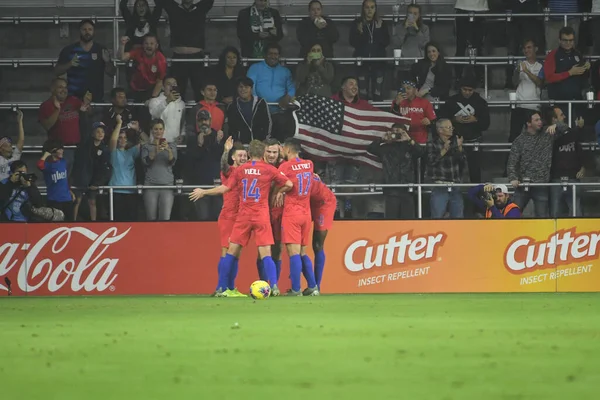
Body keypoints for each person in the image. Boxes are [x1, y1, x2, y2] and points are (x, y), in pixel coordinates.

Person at [189, 140, 293, 297]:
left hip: (243, 216)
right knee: (266, 253)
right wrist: (278, 192)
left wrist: (204, 192)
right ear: (264, 153)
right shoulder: (269, 169)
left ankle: (222, 288)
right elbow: (290, 184)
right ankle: (275, 286)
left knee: (231, 252)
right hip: (261, 216)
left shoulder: (240, 170)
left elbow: (225, 188)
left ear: (250, 154)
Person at [277, 138, 319, 296]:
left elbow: (280, 182)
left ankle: (295, 289)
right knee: (302, 251)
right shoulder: (309, 164)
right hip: (306, 213)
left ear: (287, 150)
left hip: (292, 213)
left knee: (293, 252)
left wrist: (278, 191)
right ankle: (313, 287)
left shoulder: (285, 166)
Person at [507, 110, 568, 217]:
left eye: (540, 119)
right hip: (522, 184)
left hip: (541, 184)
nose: (540, 122)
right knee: (512, 215)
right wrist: (513, 178)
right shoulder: (519, 141)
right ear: (528, 123)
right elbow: (512, 162)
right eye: (536, 120)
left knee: (542, 218)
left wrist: (555, 125)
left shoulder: (547, 133)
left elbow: (566, 128)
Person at [157, 0, 214, 102]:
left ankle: (202, 117)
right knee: (177, 92)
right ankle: (177, 118)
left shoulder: (201, 8)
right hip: (179, 59)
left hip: (197, 58)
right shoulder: (173, 8)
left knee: (200, 91)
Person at [213, 137, 248, 297]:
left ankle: (231, 288)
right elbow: (223, 165)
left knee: (236, 254)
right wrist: (225, 150)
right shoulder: (230, 171)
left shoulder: (246, 173)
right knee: (226, 252)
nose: (243, 158)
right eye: (240, 155)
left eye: (245, 156)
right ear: (233, 157)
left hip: (241, 218)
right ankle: (222, 288)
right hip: (228, 216)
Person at [367, 123, 422, 219]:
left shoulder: (410, 147)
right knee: (391, 220)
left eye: (399, 132)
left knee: (408, 220)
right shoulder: (385, 148)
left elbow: (421, 152)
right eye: (394, 132)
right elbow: (370, 149)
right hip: (391, 188)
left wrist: (409, 140)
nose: (396, 134)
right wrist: (382, 139)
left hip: (407, 188)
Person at [443, 76, 490, 184]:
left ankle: (476, 196)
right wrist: (454, 119)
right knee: (454, 171)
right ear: (460, 88)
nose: (467, 92)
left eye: (470, 90)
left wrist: (476, 119)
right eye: (465, 89)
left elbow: (486, 124)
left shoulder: (480, 102)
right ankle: (454, 194)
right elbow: (441, 120)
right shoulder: (451, 101)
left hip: (474, 141)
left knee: (475, 172)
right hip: (455, 141)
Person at [54, 19, 116, 101]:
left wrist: (107, 62)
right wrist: (70, 64)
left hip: (96, 98)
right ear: (80, 31)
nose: (87, 32)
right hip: (74, 99)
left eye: (90, 29)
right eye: (84, 29)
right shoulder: (69, 50)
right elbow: (57, 71)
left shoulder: (101, 49)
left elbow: (112, 73)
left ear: (94, 31)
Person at [247, 43, 296, 141]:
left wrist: (288, 96)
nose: (273, 56)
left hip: (279, 112)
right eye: (270, 53)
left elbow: (291, 88)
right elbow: (250, 85)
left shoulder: (285, 71)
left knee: (281, 138)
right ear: (265, 55)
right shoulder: (255, 68)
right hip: (260, 111)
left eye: (276, 54)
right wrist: (259, 102)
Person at [184, 110, 225, 221]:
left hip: (216, 184)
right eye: (201, 120)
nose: (203, 123)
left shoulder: (219, 136)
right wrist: (199, 145)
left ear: (210, 121)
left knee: (218, 217)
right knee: (203, 218)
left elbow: (220, 158)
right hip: (199, 185)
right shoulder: (193, 139)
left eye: (205, 120)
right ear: (197, 123)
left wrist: (217, 142)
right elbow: (190, 160)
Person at [545, 107, 586, 217]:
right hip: (556, 178)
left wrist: (583, 167)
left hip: (573, 177)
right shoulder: (547, 134)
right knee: (554, 213)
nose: (565, 117)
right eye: (561, 115)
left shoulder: (572, 133)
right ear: (554, 120)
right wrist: (578, 127)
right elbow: (564, 139)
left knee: (577, 212)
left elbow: (580, 152)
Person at [72, 119, 112, 222]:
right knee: (77, 200)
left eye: (102, 132)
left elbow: (105, 169)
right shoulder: (84, 146)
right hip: (82, 178)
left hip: (94, 180)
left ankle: (93, 223)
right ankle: (72, 222)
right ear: (92, 133)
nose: (100, 134)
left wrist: (97, 183)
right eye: (98, 131)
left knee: (92, 201)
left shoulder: (105, 150)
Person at [349, 0, 390, 101]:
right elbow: (352, 42)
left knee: (378, 92)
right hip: (362, 62)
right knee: (362, 93)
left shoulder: (381, 23)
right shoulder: (357, 23)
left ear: (375, 9)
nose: (369, 10)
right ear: (363, 9)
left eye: (372, 7)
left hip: (378, 62)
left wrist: (379, 29)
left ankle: (377, 115)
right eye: (367, 7)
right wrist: (360, 32)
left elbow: (386, 42)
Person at [426, 119, 466, 219]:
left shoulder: (455, 142)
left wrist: (460, 148)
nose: (451, 129)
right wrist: (444, 150)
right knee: (437, 217)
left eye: (451, 127)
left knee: (458, 217)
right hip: (440, 186)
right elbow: (431, 161)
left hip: (455, 185)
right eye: (448, 127)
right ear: (440, 130)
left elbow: (462, 162)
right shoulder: (432, 143)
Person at [142, 119, 177, 220]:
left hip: (167, 185)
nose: (158, 131)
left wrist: (168, 150)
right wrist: (155, 151)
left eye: (160, 129)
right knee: (151, 219)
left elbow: (172, 162)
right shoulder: (147, 146)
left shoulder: (171, 145)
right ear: (152, 131)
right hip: (150, 185)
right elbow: (145, 162)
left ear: (164, 130)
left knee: (165, 219)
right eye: (156, 129)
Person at [108, 115, 141, 222]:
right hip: (115, 191)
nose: (122, 140)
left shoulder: (131, 152)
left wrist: (138, 130)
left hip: (131, 191)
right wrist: (119, 124)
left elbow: (146, 142)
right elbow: (112, 140)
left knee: (131, 223)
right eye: (120, 137)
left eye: (125, 138)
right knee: (117, 222)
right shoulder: (114, 152)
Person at [309, 172, 336, 292]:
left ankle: (316, 287)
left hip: (323, 203)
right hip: (306, 203)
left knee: (317, 245)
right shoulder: (283, 167)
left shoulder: (299, 168)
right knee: (295, 244)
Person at [120, 34, 167, 102]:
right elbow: (122, 58)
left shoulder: (161, 60)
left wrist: (152, 99)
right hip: (135, 87)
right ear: (143, 45)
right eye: (146, 43)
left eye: (152, 43)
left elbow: (159, 82)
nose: (149, 46)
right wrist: (122, 45)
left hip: (150, 89)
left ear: (156, 46)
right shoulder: (138, 51)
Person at [37, 140, 76, 221]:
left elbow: (65, 179)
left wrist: (70, 191)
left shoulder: (63, 162)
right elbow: (39, 165)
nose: (62, 151)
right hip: (54, 200)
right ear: (53, 150)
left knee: (70, 224)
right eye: (59, 149)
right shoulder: (47, 165)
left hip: (67, 199)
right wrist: (47, 154)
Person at [226, 77, 272, 144]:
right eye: (240, 87)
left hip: (260, 143)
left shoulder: (261, 102)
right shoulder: (232, 106)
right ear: (237, 89)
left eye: (246, 87)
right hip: (241, 144)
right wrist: (235, 141)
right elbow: (231, 127)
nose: (243, 89)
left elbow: (268, 121)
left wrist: (265, 139)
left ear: (251, 89)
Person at [395, 3, 430, 83]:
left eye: (415, 13)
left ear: (419, 15)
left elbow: (425, 45)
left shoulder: (424, 28)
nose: (412, 16)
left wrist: (417, 29)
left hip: (419, 64)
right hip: (403, 65)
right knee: (403, 91)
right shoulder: (400, 27)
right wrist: (404, 29)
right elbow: (396, 44)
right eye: (410, 13)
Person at [0, 110, 25, 182]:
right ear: (1, 149)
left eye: (10, 145)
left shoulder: (15, 157)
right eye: (7, 146)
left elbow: (21, 141)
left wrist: (20, 122)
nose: (10, 148)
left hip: (13, 188)